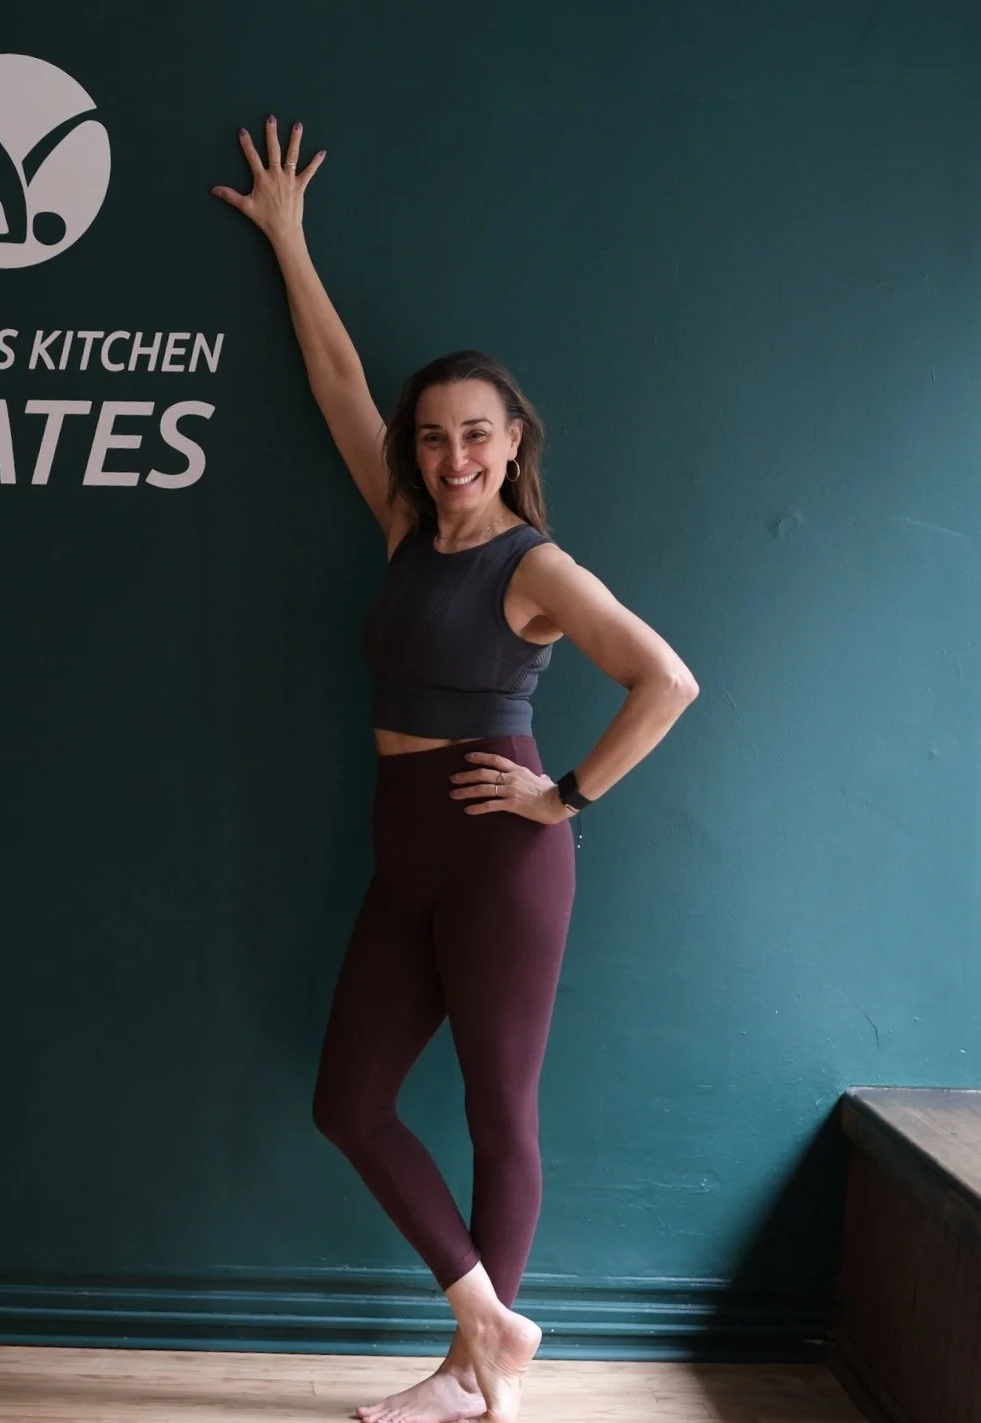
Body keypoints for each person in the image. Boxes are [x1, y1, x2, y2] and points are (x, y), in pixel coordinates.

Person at [214, 119, 698, 1423]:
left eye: (472, 435)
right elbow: (331, 381)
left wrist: (565, 795)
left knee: (499, 1107)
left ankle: (469, 1380)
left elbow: (665, 678)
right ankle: (488, 1325)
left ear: (511, 438)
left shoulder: (533, 565)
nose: (450, 457)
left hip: (500, 856)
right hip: (403, 853)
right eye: (430, 437)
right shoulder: (402, 531)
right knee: (346, 1100)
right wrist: (287, 237)